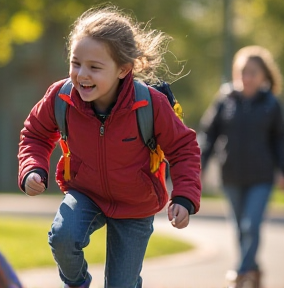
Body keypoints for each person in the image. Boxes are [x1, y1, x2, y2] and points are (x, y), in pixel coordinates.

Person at [17, 5, 201, 288]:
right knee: (63, 237)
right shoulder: (61, 96)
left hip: (137, 205)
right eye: (76, 63)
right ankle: (77, 283)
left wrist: (185, 197)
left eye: (94, 67)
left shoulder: (150, 104)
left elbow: (183, 148)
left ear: (123, 69)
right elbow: (36, 135)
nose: (82, 75)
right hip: (85, 192)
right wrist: (32, 168)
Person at [199, 45, 284, 288]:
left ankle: (241, 271)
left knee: (250, 225)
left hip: (262, 177)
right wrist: (200, 167)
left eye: (252, 72)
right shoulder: (225, 99)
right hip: (231, 175)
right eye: (242, 72)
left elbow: (279, 140)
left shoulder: (271, 103)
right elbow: (209, 135)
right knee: (239, 229)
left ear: (264, 76)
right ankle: (254, 271)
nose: (246, 78)